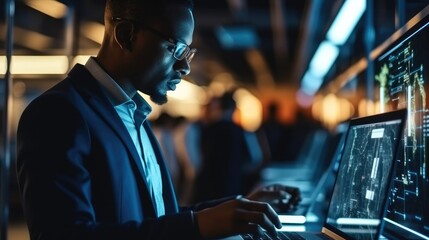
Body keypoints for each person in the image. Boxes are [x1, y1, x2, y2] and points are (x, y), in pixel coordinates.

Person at [16, 0, 300, 239]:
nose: (185, 66)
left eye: (188, 52)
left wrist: (240, 207)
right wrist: (195, 227)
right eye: (176, 49)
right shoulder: (58, 113)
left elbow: (159, 216)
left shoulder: (135, 113)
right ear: (126, 35)